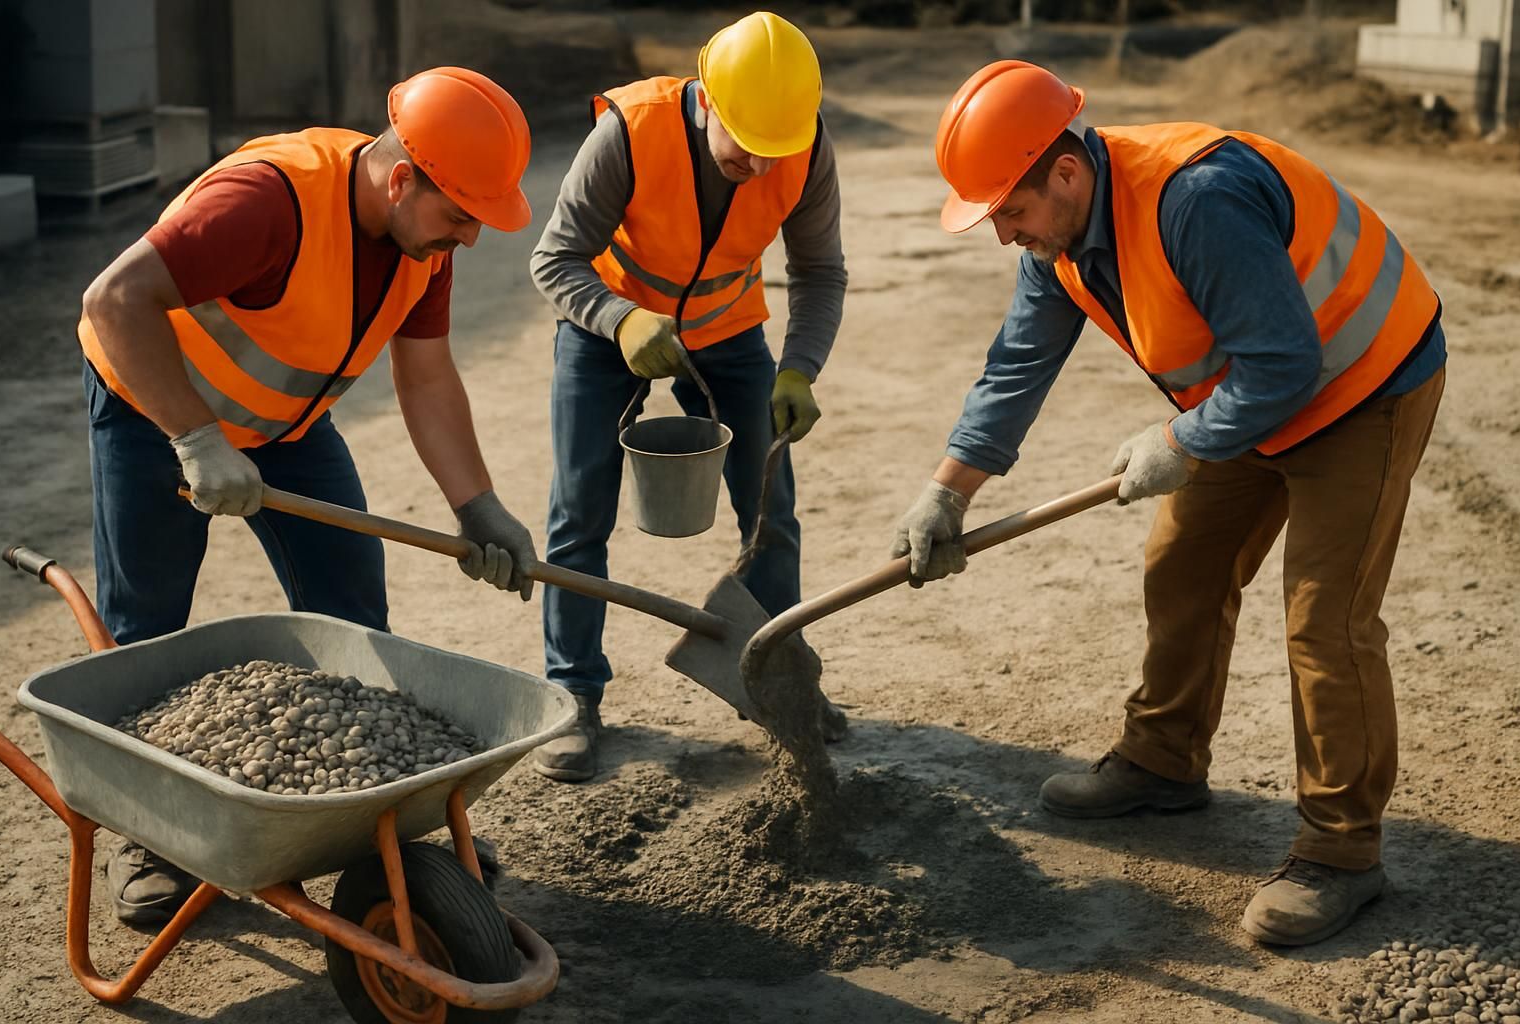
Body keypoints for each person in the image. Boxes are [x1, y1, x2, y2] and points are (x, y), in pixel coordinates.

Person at [892, 60, 1445, 946]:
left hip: (1361, 384)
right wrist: (946, 490)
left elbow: (1286, 366)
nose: (1004, 235)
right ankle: (1164, 762)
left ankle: (1342, 853)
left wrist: (1182, 440)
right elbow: (1018, 364)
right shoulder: (1059, 240)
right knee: (1181, 564)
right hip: (1251, 393)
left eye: (1010, 211)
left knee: (1325, 620)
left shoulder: (1195, 200)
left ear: (1066, 171)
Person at [78, 67, 541, 926]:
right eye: (460, 215)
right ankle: (145, 831)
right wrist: (193, 436)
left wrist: (477, 504)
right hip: (157, 410)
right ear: (402, 178)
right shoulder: (264, 201)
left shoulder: (419, 242)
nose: (471, 238)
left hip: (286, 426)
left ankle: (376, 814)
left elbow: (428, 374)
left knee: (354, 615)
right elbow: (114, 300)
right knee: (146, 628)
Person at [529, 11, 849, 782]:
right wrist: (619, 319)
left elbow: (819, 272)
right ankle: (573, 696)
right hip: (610, 325)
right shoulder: (631, 132)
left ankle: (782, 688)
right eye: (746, 144)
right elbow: (555, 257)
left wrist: (799, 367)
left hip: (730, 329)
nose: (759, 165)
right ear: (706, 100)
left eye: (776, 150)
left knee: (771, 512)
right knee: (580, 513)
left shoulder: (802, 149)